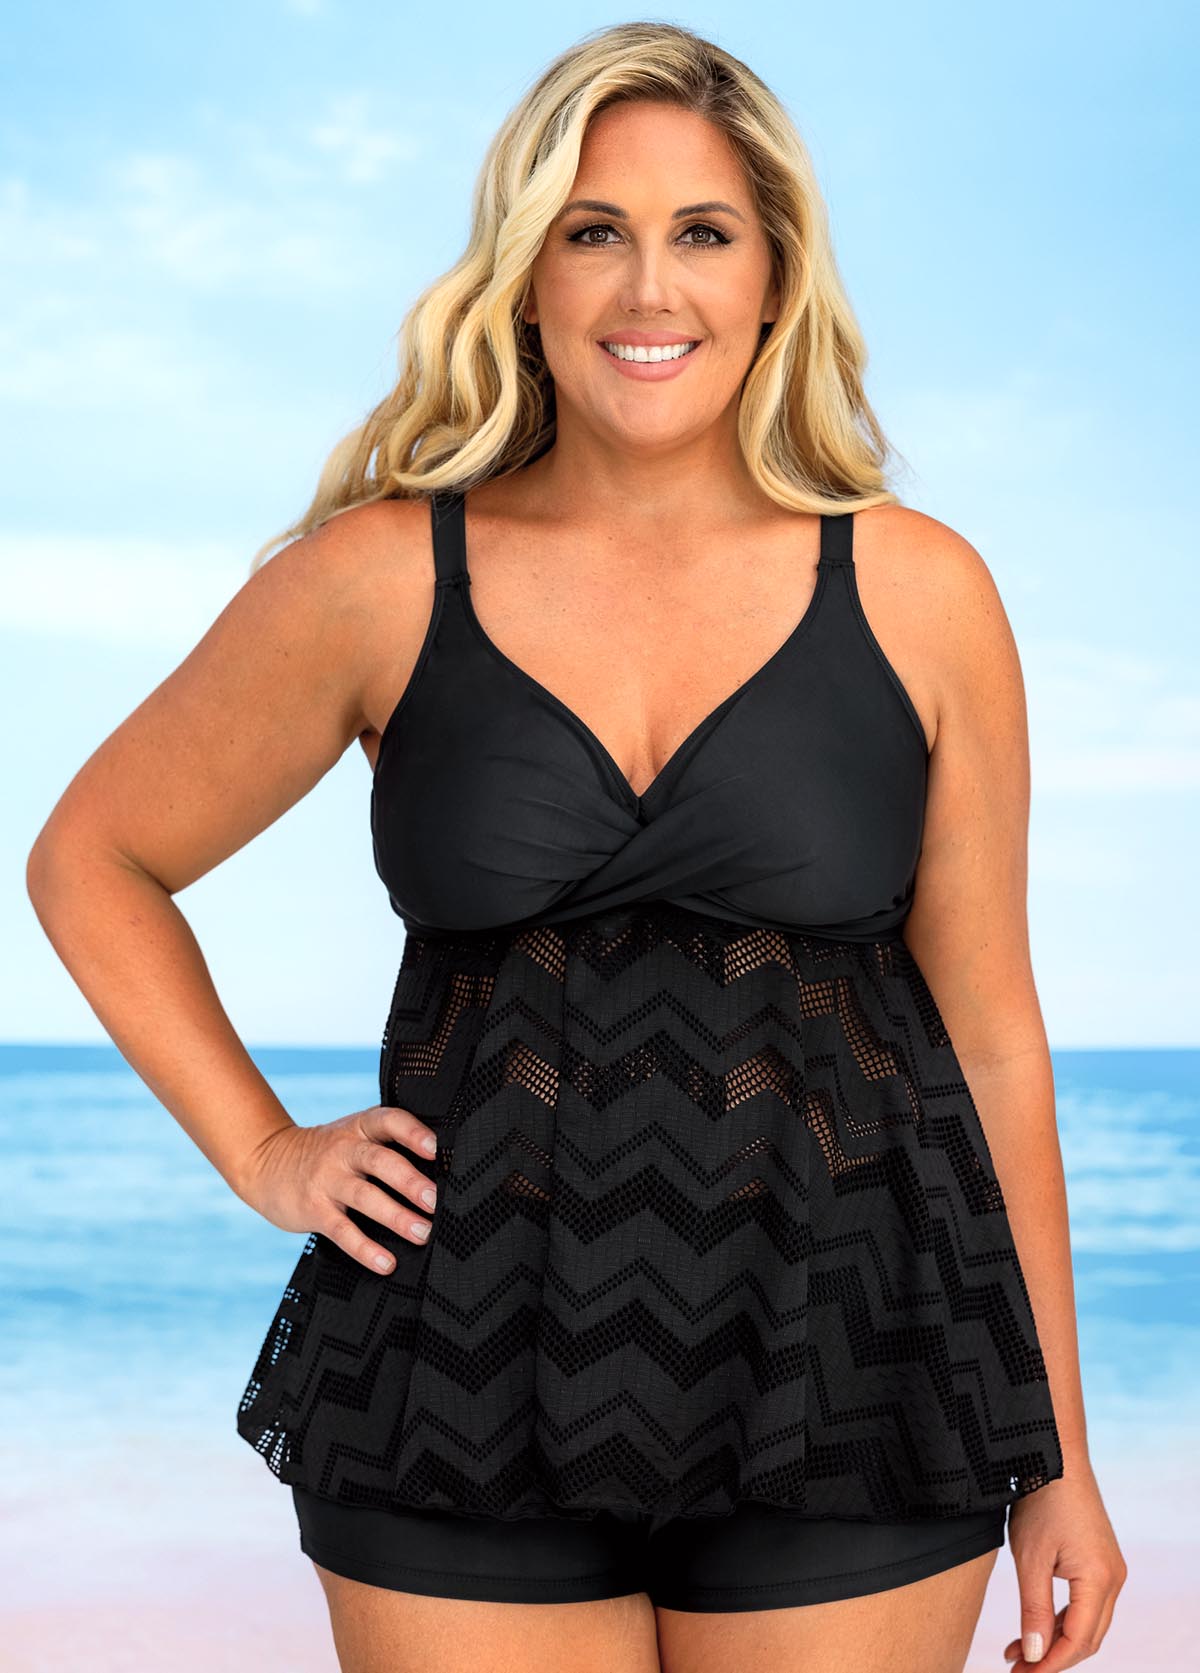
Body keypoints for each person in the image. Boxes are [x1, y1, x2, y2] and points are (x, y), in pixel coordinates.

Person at [26, 19, 1127, 1673]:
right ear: (526, 274)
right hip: (455, 1368)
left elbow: (992, 1040)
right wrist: (264, 1152)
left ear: (776, 277)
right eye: (594, 231)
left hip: (855, 1363)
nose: (648, 287)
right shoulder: (377, 581)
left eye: (705, 233)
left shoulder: (922, 595)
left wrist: (1060, 1452)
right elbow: (93, 856)